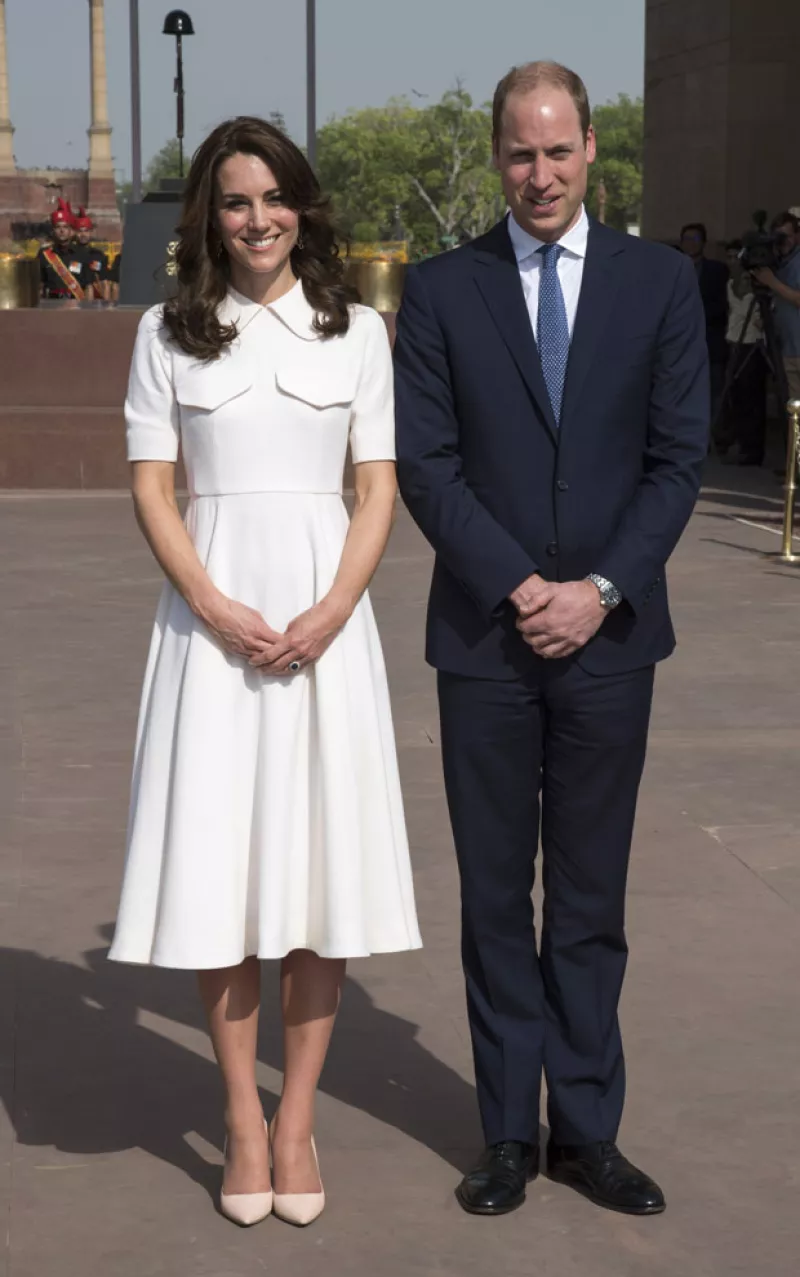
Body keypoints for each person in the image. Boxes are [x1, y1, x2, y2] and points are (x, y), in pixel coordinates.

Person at [395, 60, 708, 1219]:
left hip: (610, 645)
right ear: (497, 157)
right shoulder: (441, 289)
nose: (539, 172)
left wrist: (600, 589)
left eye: (557, 149)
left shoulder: (658, 282)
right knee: (492, 898)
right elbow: (426, 464)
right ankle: (503, 1135)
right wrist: (524, 585)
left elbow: (676, 460)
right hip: (484, 640)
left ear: (589, 151)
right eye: (519, 152)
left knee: (586, 899)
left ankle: (584, 1130)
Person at [108, 116, 421, 1228]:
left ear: (303, 207)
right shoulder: (165, 332)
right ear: (209, 213)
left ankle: (298, 1121)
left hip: (327, 631)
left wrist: (333, 608)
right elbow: (153, 485)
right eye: (236, 201)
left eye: (274, 197)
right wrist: (212, 603)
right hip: (211, 634)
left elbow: (376, 486)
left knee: (316, 877)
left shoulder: (357, 332)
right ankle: (243, 1116)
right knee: (223, 875)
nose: (257, 220)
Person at [716, 241, 766, 466]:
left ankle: (753, 448)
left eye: (737, 257)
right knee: (733, 396)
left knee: (751, 398)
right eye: (729, 257)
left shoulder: (757, 284)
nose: (732, 262)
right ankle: (736, 440)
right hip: (733, 342)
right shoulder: (729, 284)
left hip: (752, 344)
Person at [680, 221, 729, 417]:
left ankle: (714, 431)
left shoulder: (717, 270)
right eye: (686, 239)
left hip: (711, 343)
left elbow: (723, 305)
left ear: (704, 242)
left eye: (695, 238)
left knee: (714, 392)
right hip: (680, 345)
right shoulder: (673, 270)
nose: (691, 243)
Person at [751, 212, 800, 404]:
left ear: (797, 235)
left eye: (786, 236)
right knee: (795, 412)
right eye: (778, 237)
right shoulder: (780, 264)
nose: (783, 242)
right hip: (788, 350)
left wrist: (771, 282)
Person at [38, 199, 99, 300]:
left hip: (76, 303)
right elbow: (39, 285)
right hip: (51, 303)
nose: (62, 230)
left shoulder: (82, 253)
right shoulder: (44, 254)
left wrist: (88, 308)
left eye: (65, 227)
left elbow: (89, 286)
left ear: (71, 231)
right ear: (53, 230)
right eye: (58, 227)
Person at [74, 207, 109, 300]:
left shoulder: (98, 255)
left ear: (91, 232)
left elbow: (104, 283)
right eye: (79, 231)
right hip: (73, 300)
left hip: (94, 303)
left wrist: (107, 305)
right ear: (74, 232)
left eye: (86, 231)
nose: (83, 234)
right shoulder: (70, 254)